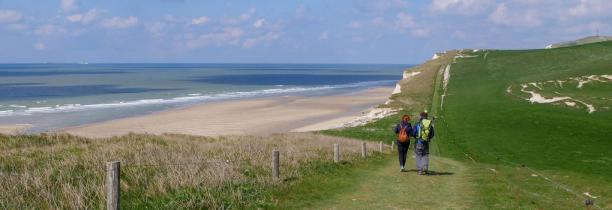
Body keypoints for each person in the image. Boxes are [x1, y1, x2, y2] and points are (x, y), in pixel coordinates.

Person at [414, 110, 434, 175]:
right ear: (427, 116)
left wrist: (415, 137)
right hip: (426, 142)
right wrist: (428, 138)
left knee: (418, 155)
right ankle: (426, 168)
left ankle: (420, 170)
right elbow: (432, 134)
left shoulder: (418, 124)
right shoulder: (429, 124)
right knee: (425, 155)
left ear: (421, 116)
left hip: (419, 142)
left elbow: (414, 133)